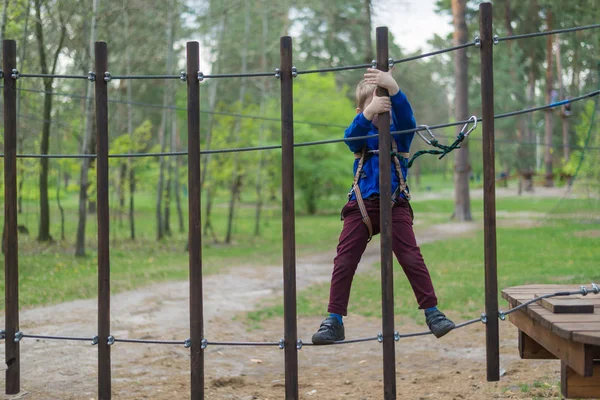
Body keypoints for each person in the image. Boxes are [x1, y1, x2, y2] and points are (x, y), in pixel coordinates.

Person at [311, 68, 455, 344]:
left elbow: (409, 120)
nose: (380, 114)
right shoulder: (361, 135)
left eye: (384, 108)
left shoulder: (399, 136)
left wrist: (394, 90)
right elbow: (350, 137)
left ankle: (432, 312)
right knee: (344, 260)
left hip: (395, 205)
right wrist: (368, 113)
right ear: (361, 111)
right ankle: (334, 320)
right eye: (374, 108)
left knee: (411, 257)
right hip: (361, 207)